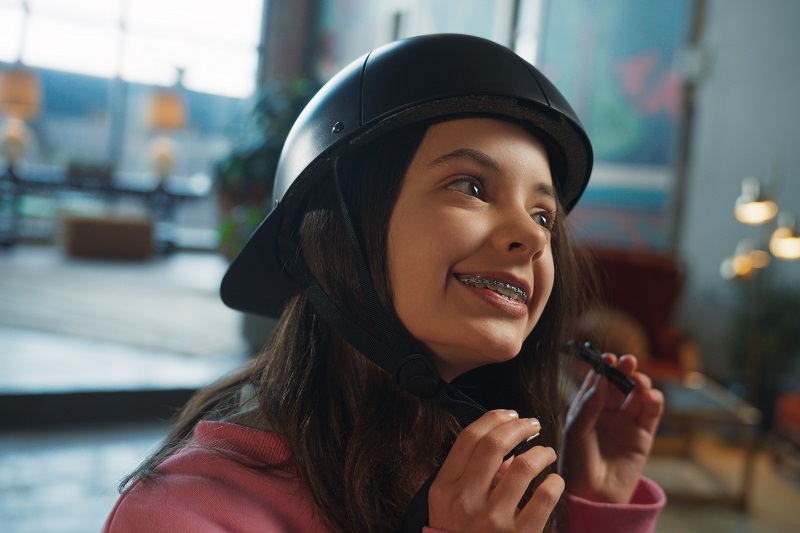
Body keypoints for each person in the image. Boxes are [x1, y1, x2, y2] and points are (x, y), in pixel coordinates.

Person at [103, 34, 665, 532]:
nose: (533, 236)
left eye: (544, 216)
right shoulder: (181, 513)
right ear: (334, 237)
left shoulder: (495, 487)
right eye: (470, 186)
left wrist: (593, 509)